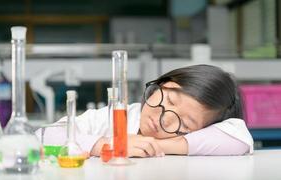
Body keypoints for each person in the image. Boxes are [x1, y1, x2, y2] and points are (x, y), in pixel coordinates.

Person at [37, 64, 254, 157]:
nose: (163, 118)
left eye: (184, 123)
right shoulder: (118, 115)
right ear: (161, 82)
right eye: (168, 98)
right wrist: (107, 145)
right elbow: (43, 136)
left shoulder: (199, 137)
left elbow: (240, 138)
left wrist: (157, 146)